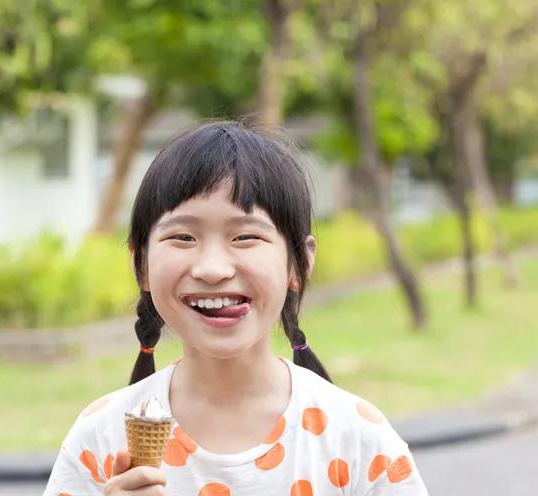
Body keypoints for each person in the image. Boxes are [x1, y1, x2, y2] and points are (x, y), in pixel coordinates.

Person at [44, 120, 428, 495]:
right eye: (183, 236)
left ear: (299, 262)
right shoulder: (99, 439)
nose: (212, 269)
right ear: (140, 264)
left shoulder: (359, 442)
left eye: (245, 236)